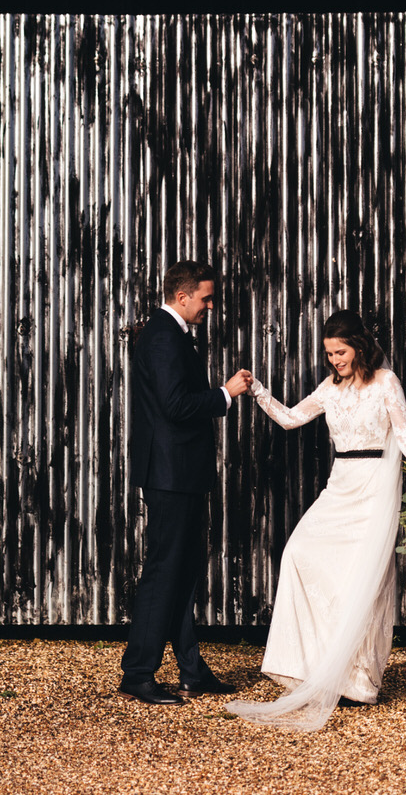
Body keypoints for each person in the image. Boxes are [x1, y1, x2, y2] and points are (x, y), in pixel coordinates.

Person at [227, 309, 406, 731]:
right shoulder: (329, 387)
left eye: (340, 352)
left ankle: (357, 681)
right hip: (340, 485)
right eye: (328, 354)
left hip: (375, 486)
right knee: (298, 553)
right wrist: (258, 390)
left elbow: (404, 430)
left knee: (360, 580)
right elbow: (290, 419)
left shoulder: (385, 382)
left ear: (359, 346)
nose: (335, 360)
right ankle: (309, 667)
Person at [117, 260, 254, 705]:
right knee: (164, 571)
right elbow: (175, 406)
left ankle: (191, 671)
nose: (210, 306)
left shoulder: (167, 334)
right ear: (182, 297)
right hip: (170, 476)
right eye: (206, 298)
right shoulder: (162, 336)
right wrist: (225, 394)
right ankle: (137, 672)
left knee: (184, 571)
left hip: (182, 475)